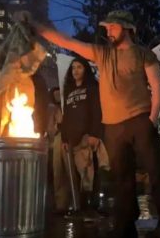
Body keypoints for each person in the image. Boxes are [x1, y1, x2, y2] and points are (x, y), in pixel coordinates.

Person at [30, 10, 160, 237]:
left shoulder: (142, 54)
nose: (108, 31)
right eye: (106, 28)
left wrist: (151, 121)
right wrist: (34, 24)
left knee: (156, 172)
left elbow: (157, 88)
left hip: (140, 120)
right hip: (113, 126)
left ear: (127, 28)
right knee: (122, 179)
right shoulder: (102, 54)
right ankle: (125, 225)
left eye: (113, 27)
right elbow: (67, 41)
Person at [61, 57, 104, 215]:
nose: (76, 71)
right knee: (76, 174)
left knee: (91, 172)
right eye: (73, 68)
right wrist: (65, 139)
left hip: (88, 137)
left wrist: (94, 134)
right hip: (72, 140)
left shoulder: (92, 88)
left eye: (79, 67)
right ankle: (79, 207)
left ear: (85, 69)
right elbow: (66, 116)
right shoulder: (69, 91)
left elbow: (97, 112)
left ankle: (93, 207)